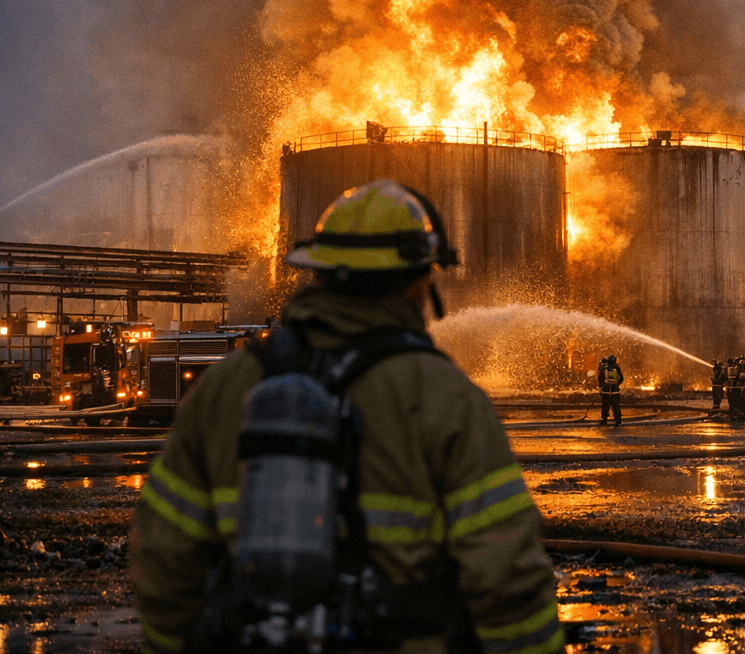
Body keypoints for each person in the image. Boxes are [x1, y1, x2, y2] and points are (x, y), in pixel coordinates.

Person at [132, 178, 563, 654]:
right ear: (419, 278)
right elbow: (507, 579)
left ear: (317, 271)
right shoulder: (447, 399)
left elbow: (163, 557)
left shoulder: (224, 388)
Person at [598, 355, 624, 426]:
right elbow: (621, 379)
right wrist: (617, 384)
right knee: (616, 406)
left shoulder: (604, 368)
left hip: (605, 391)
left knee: (605, 406)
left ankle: (604, 420)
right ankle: (618, 420)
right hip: (615, 392)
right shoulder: (617, 368)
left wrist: (603, 385)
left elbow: (600, 378)